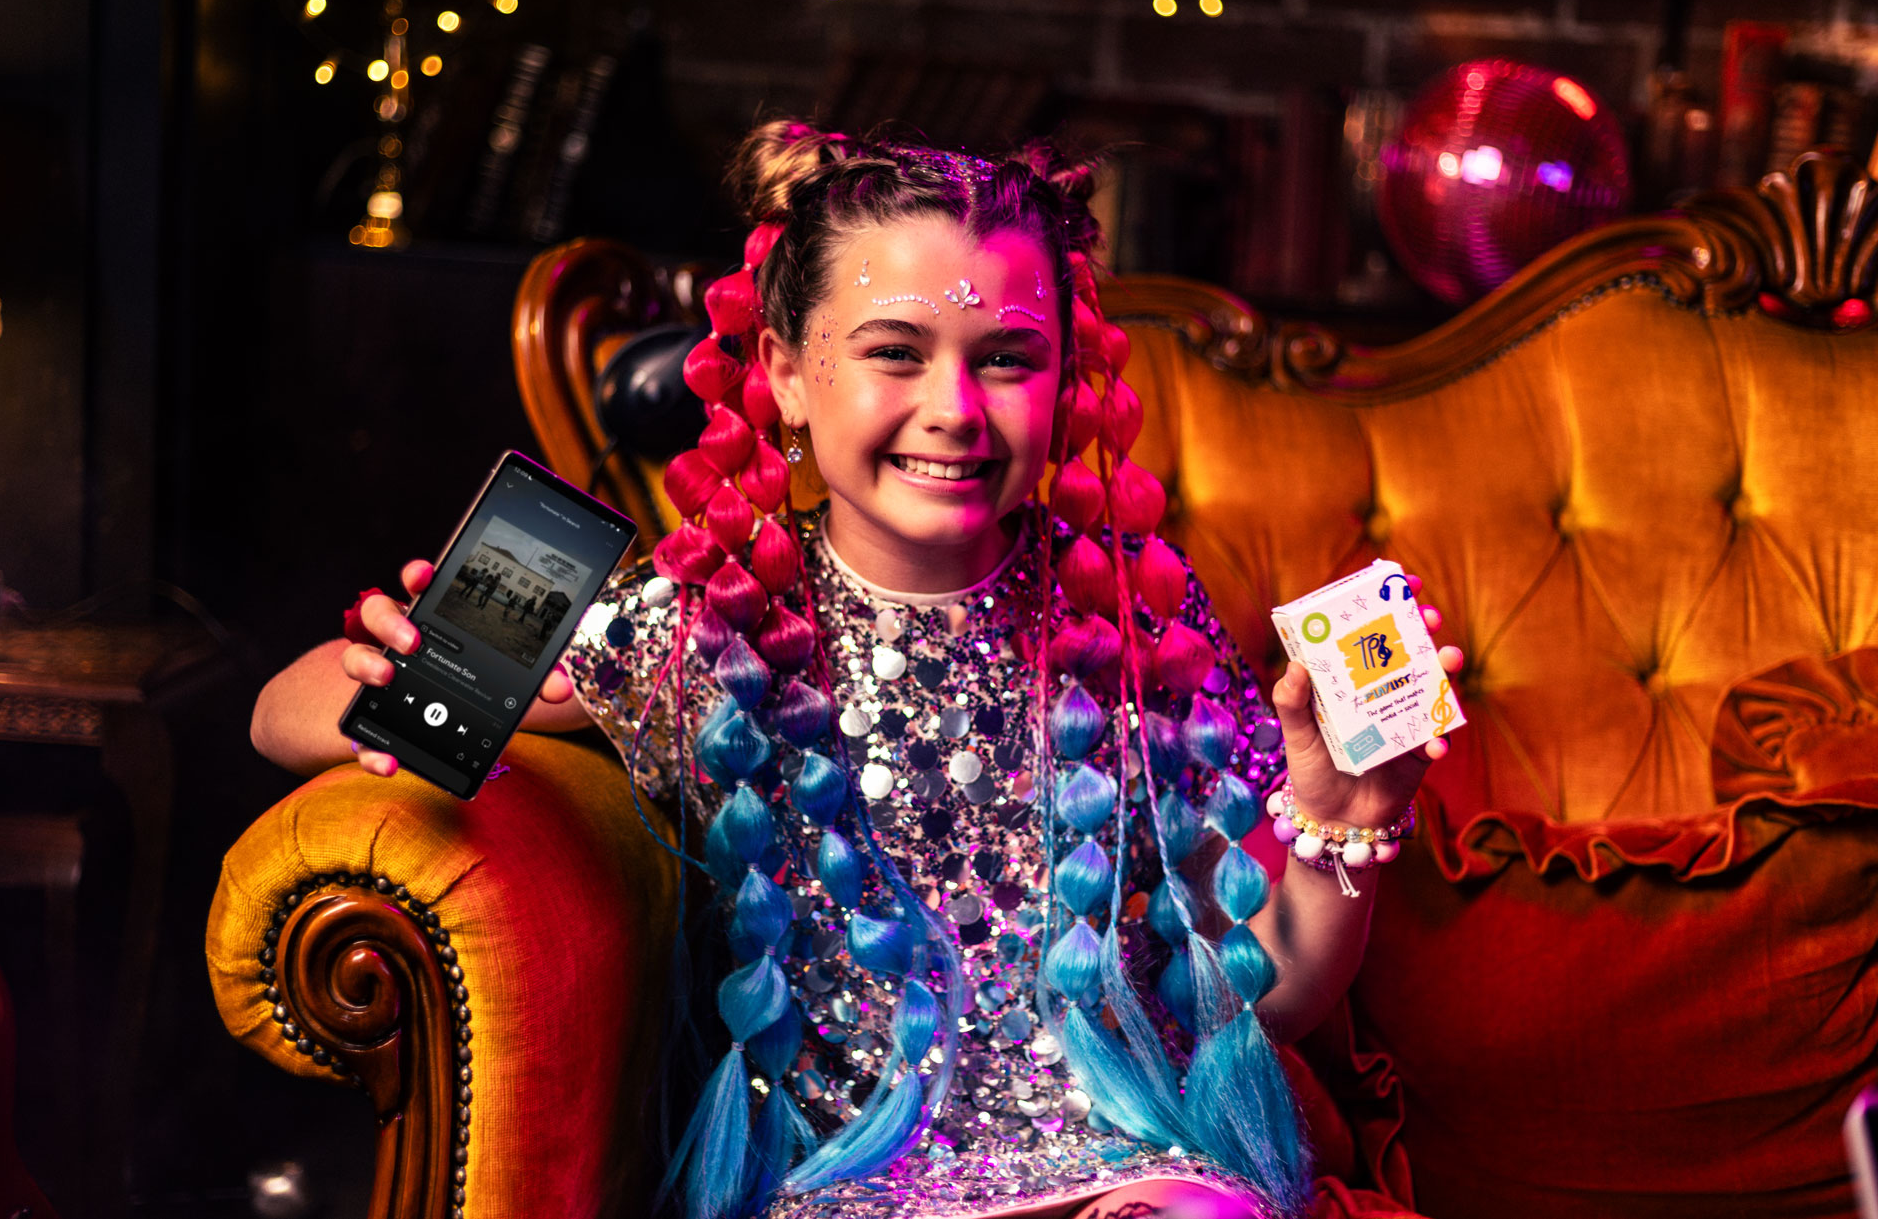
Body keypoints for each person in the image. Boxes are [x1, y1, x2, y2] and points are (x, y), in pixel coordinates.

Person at [249, 121, 1462, 1219]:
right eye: (896, 350)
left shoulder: (1132, 617)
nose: (955, 409)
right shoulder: (708, 633)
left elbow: (1278, 1000)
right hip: (854, 1187)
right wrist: (389, 671)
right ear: (783, 370)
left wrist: (1345, 821)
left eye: (1005, 356)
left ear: (1066, 376)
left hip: (1122, 1166)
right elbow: (277, 715)